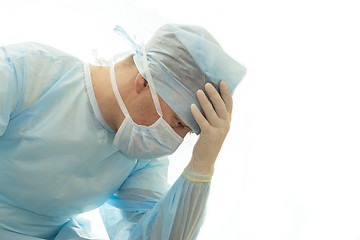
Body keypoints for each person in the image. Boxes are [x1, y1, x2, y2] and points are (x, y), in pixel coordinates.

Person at [0, 24, 246, 239]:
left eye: (188, 133)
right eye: (178, 123)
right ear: (144, 81)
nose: (176, 141)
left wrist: (202, 164)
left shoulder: (141, 155)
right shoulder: (25, 71)